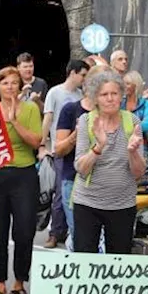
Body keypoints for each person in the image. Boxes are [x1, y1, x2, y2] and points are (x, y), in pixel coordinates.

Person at [0, 66, 42, 294]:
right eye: (5, 83)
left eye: (14, 83)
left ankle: (19, 284)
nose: (10, 87)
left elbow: (36, 142)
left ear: (20, 86)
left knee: (24, 232)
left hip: (23, 175)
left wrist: (13, 121)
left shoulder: (29, 109)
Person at [73, 69, 146, 254]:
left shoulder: (133, 121)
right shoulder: (86, 121)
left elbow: (138, 173)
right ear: (95, 98)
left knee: (119, 259)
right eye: (104, 94)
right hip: (88, 203)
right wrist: (99, 146)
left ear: (122, 95)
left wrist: (133, 152)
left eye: (114, 93)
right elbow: (81, 168)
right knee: (85, 258)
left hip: (122, 204)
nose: (110, 98)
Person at [43, 59, 88, 248]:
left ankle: (68, 230)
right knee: (61, 193)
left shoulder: (81, 95)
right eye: (83, 75)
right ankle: (55, 233)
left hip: (80, 150)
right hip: (60, 147)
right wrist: (42, 144)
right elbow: (48, 118)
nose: (84, 80)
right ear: (72, 73)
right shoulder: (55, 92)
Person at [122, 70, 148, 140]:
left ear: (136, 85)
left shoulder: (146, 104)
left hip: (140, 144)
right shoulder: (119, 103)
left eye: (127, 84)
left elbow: (147, 125)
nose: (124, 86)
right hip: (120, 144)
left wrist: (125, 125)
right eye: (123, 83)